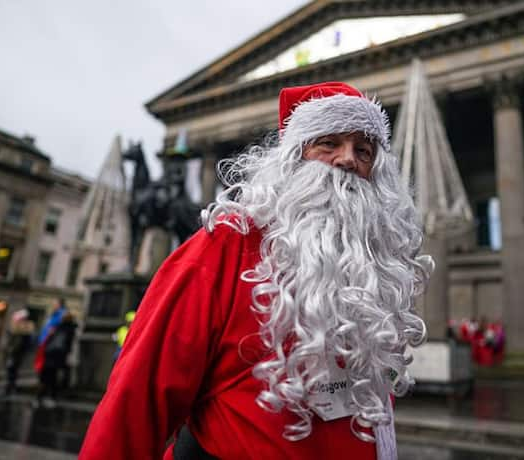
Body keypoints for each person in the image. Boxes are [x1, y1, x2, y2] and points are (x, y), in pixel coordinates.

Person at [80, 81, 433, 460]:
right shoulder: (226, 247)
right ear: (294, 158)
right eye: (328, 144)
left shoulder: (371, 269)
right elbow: (138, 398)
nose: (348, 159)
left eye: (363, 150)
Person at [35, 311, 77, 408]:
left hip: (50, 355)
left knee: (46, 377)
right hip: (58, 357)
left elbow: (48, 340)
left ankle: (41, 397)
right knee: (53, 377)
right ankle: (50, 397)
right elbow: (68, 345)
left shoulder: (58, 328)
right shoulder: (70, 329)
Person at [2, 308, 35, 396]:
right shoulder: (22, 328)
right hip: (15, 353)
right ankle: (11, 387)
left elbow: (16, 343)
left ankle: (9, 388)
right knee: (12, 369)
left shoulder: (22, 329)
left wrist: (10, 350)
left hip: (16, 353)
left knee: (12, 369)